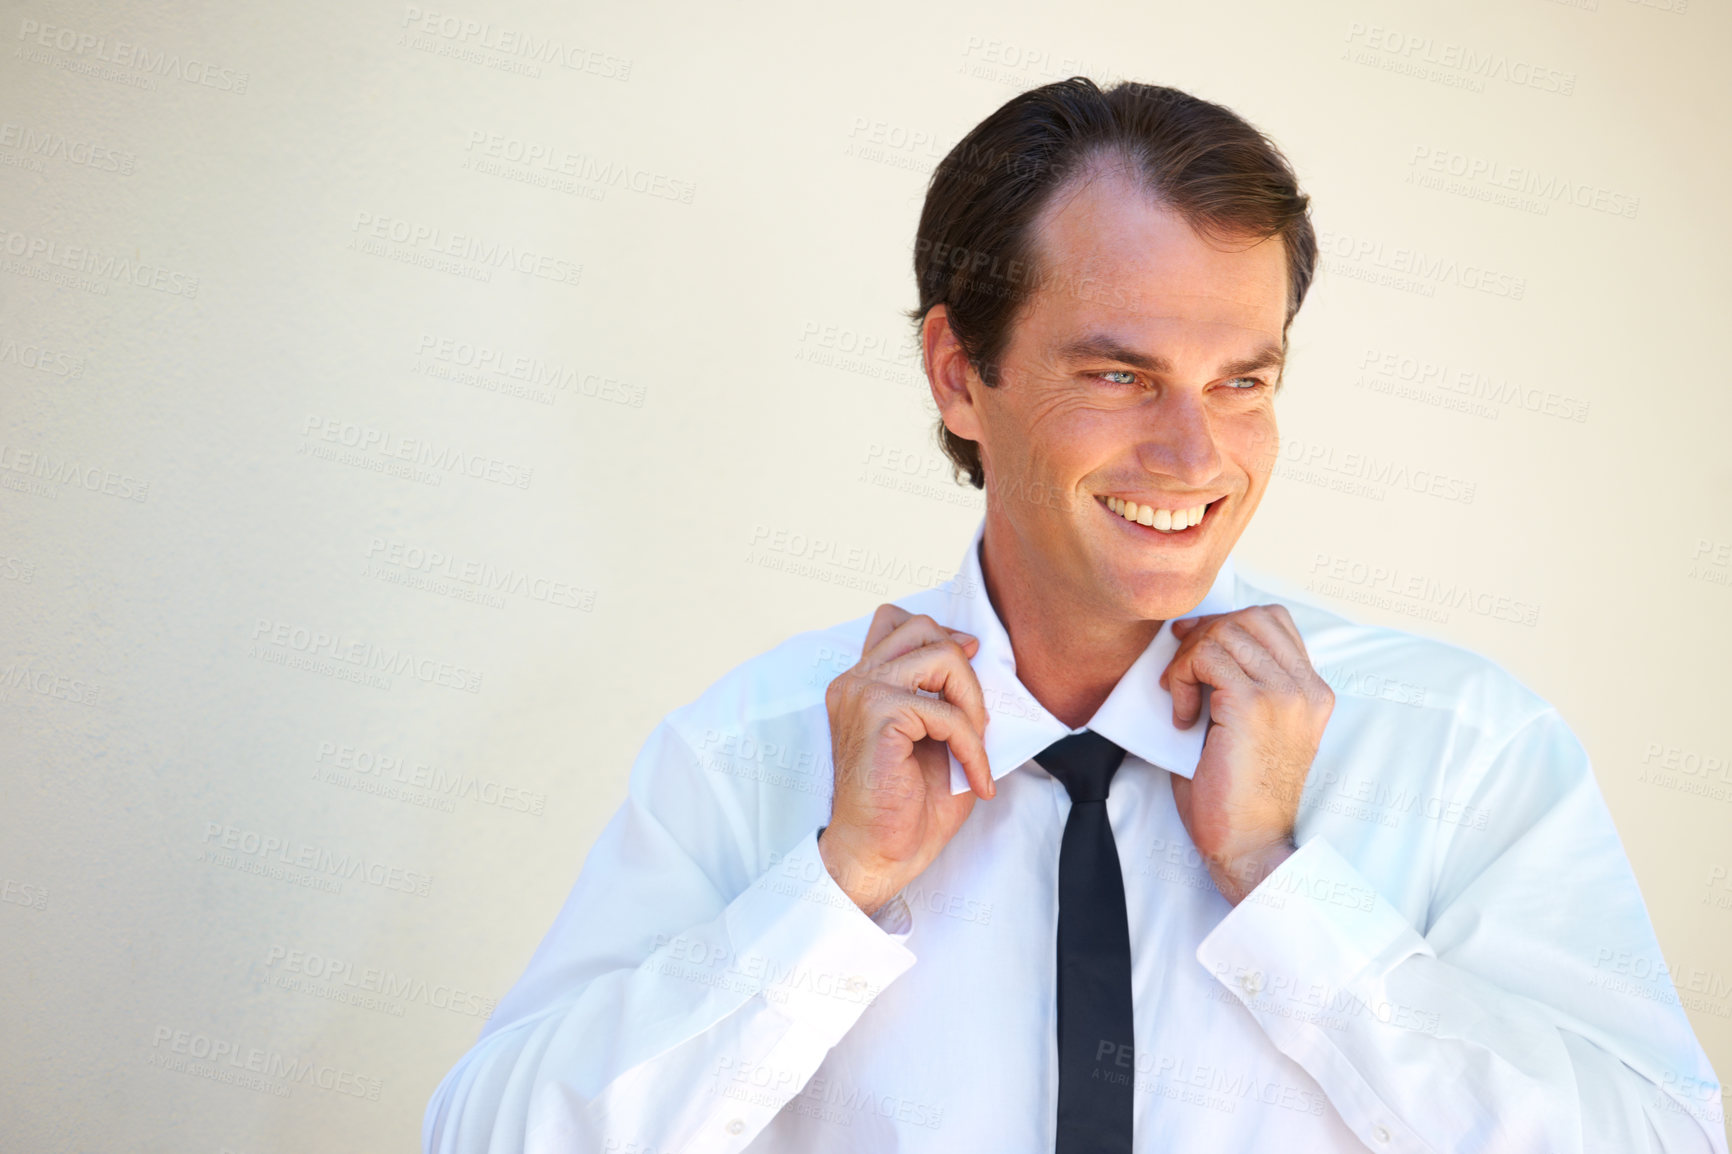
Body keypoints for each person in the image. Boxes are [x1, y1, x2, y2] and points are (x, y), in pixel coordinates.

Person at [423, 77, 1727, 1153]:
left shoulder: (1462, 749)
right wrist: (832, 889)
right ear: (958, 373)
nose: (1194, 452)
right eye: (1121, 373)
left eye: (1244, 379)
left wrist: (1286, 889)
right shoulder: (751, 752)